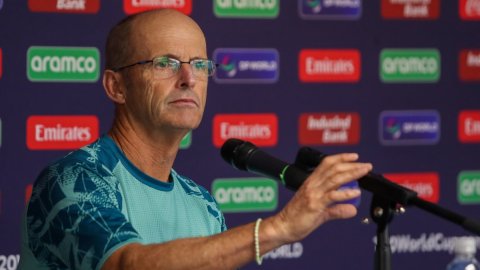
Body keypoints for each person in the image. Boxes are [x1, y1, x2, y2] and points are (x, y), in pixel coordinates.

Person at [19, 9, 372, 270]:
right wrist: (278, 228)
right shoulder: (72, 180)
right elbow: (127, 265)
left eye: (200, 64)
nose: (188, 77)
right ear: (117, 86)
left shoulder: (202, 204)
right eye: (164, 63)